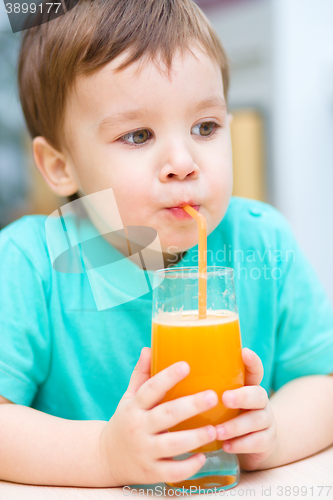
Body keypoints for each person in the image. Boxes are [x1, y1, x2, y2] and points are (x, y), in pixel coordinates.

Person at [0, 0, 333, 488]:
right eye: (138, 135)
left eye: (206, 127)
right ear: (59, 165)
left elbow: (322, 383)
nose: (183, 161)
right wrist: (103, 454)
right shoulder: (31, 264)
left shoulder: (263, 241)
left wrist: (275, 434)